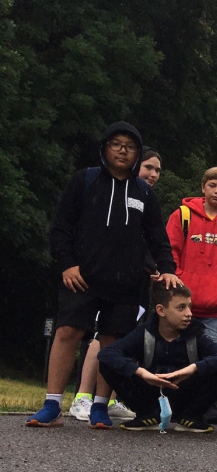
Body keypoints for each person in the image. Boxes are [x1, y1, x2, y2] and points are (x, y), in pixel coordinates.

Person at [29, 122, 179, 429]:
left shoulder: (145, 193)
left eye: (130, 146)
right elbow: (61, 228)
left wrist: (167, 269)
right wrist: (66, 264)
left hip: (126, 283)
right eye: (116, 144)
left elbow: (158, 238)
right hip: (82, 276)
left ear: (137, 153)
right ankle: (52, 405)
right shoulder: (84, 180)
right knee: (67, 332)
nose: (123, 151)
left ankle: (100, 406)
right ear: (104, 148)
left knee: (112, 343)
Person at [68, 147, 165, 424]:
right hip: (103, 278)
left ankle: (109, 399)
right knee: (101, 337)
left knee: (122, 339)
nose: (153, 174)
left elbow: (149, 241)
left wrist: (154, 268)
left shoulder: (146, 199)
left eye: (158, 170)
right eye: (148, 167)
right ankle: (82, 397)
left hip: (135, 283)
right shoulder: (106, 189)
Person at [96, 281, 217, 433]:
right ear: (161, 310)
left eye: (189, 306)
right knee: (107, 364)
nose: (189, 313)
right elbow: (106, 353)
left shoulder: (196, 333)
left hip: (186, 396)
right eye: (181, 307)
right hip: (151, 395)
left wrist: (192, 369)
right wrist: (141, 373)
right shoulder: (144, 333)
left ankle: (191, 416)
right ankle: (146, 415)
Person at [165, 167, 217, 347]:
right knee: (173, 353)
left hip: (215, 310)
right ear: (203, 187)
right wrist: (179, 281)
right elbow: (170, 251)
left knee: (210, 357)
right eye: (212, 185)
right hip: (179, 302)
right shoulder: (182, 215)